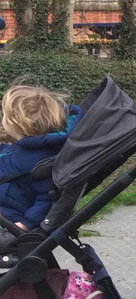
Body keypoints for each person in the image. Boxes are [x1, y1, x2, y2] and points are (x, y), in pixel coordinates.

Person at [0, 85, 81, 250]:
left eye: (5, 116)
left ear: (17, 124)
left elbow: (46, 198)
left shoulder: (40, 160)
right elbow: (9, 155)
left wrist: (24, 225)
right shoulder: (29, 147)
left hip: (11, 221)